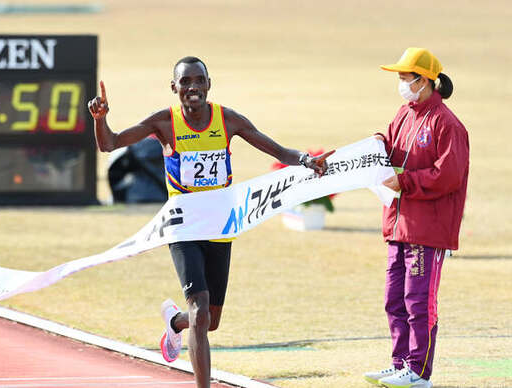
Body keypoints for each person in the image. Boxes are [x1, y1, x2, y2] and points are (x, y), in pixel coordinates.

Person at [88, 56, 333, 388]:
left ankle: (175, 323)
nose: (192, 88)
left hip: (220, 225)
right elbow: (110, 144)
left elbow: (275, 149)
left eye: (198, 81)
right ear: (174, 87)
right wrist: (100, 119)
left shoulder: (227, 119)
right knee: (200, 312)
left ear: (208, 84)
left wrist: (306, 160)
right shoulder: (165, 122)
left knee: (209, 320)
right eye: (185, 82)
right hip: (184, 225)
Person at [364, 48, 469, 388]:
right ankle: (400, 364)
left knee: (418, 301)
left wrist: (406, 181)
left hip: (428, 229)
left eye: (405, 78)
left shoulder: (447, 124)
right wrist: (377, 144)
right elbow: (392, 148)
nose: (400, 84)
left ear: (424, 81)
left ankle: (419, 372)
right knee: (394, 298)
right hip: (399, 223)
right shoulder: (404, 113)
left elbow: (447, 176)